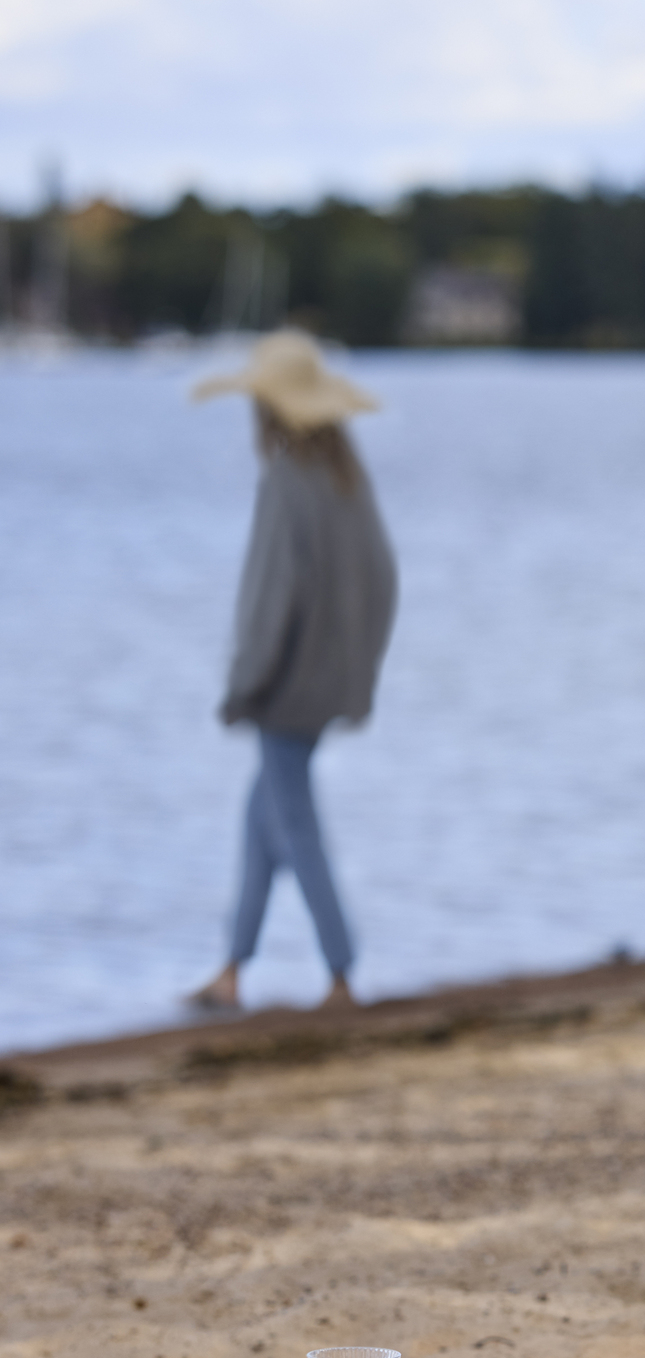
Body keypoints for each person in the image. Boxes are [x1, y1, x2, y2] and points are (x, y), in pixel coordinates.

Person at [188, 330, 396, 1012]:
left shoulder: (285, 481)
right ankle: (231, 969)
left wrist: (243, 686)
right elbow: (385, 582)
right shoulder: (349, 481)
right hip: (330, 687)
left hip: (283, 692)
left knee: (294, 825)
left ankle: (339, 972)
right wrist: (359, 677)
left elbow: (269, 601)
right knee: (262, 820)